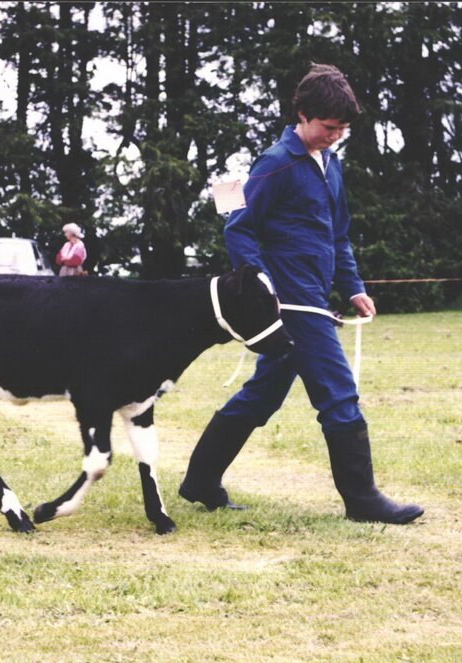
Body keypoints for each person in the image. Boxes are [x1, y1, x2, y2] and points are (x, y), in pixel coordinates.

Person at [178, 64, 423, 525]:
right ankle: (363, 500)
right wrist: (260, 287)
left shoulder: (331, 165)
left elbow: (338, 235)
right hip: (290, 306)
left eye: (342, 130)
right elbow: (239, 227)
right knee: (338, 394)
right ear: (303, 114)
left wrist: (353, 287)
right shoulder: (275, 162)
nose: (335, 136)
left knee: (262, 395)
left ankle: (200, 481)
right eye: (328, 127)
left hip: (317, 298)